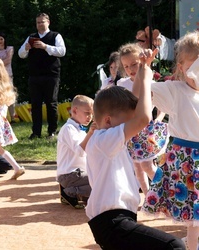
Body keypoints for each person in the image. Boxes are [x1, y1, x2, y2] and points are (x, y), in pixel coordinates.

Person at [84, 48, 185, 249]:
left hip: (117, 221)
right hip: (113, 223)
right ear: (107, 120)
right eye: (126, 121)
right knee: (174, 246)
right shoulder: (104, 139)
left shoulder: (108, 136)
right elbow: (142, 117)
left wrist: (144, 68)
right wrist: (147, 80)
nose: (132, 126)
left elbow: (134, 102)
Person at [142, 31, 199, 250]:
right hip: (186, 158)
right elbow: (143, 92)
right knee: (193, 219)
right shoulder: (175, 90)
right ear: (181, 66)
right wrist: (145, 70)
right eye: (193, 65)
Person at [118, 43, 168, 195]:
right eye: (126, 66)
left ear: (142, 62)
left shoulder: (150, 83)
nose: (130, 69)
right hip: (130, 130)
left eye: (134, 64)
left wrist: (158, 119)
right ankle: (148, 197)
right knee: (137, 169)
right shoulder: (121, 84)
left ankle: (163, 192)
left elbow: (163, 107)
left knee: (147, 165)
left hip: (146, 130)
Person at [18, 12, 66, 139]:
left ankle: (52, 131)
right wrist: (26, 48)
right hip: (34, 75)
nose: (39, 24)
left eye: (42, 22)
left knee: (51, 103)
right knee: (35, 104)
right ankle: (36, 132)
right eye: (37, 22)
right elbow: (20, 54)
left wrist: (46, 47)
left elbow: (62, 51)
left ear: (48, 22)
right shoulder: (31, 37)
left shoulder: (56, 36)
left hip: (51, 74)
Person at [56, 95, 94, 209]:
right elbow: (80, 151)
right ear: (74, 111)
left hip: (78, 174)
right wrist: (90, 134)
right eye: (87, 112)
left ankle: (78, 194)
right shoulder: (68, 129)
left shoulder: (80, 129)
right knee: (102, 182)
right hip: (70, 174)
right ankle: (69, 192)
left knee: (103, 179)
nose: (90, 117)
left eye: (92, 114)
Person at [0, 32, 16, 123]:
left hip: (7, 75)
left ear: (4, 39)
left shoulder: (9, 48)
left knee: (10, 95)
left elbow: (8, 60)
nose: (0, 41)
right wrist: (1, 62)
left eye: (1, 39)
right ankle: (1, 116)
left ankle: (13, 117)